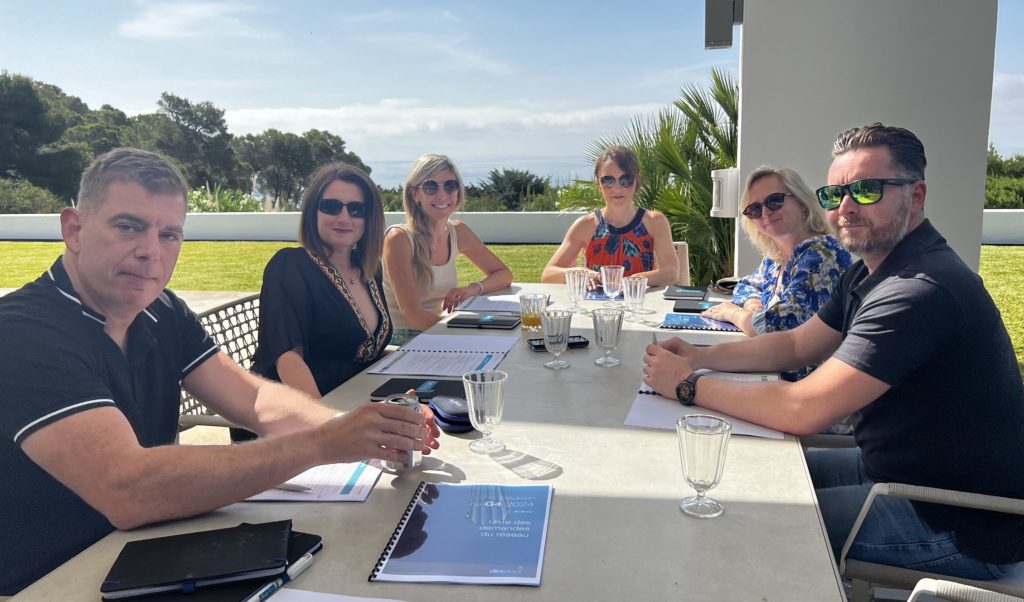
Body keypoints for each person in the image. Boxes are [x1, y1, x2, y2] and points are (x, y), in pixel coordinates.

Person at [0, 148, 440, 595]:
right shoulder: (22, 333)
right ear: (73, 229)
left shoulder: (161, 310)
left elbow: (253, 398)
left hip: (147, 556)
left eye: (169, 234)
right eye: (129, 226)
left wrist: (361, 431)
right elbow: (128, 489)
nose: (150, 252)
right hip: (49, 579)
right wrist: (323, 444)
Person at [643, 124, 1024, 579]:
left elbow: (803, 408)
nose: (845, 208)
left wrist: (687, 385)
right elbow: (793, 344)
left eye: (865, 190)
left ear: (915, 195)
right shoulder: (870, 272)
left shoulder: (920, 289)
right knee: (749, 479)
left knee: (739, 523)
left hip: (957, 520)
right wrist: (699, 356)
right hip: (889, 471)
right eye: (835, 194)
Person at [252, 163, 391, 399]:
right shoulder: (290, 266)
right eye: (331, 206)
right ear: (313, 211)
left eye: (357, 209)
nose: (344, 217)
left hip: (355, 399)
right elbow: (288, 360)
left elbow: (370, 351)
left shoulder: (367, 269)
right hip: (297, 411)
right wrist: (329, 425)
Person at [382, 154, 512, 344]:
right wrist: (465, 336)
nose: (442, 195)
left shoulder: (458, 231)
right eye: (430, 187)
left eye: (450, 186)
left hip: (440, 329)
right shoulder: (399, 239)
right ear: (415, 195)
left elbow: (504, 274)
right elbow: (412, 315)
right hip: (404, 340)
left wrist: (472, 289)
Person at [541, 145, 678, 287]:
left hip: (640, 305)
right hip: (594, 307)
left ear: (637, 180)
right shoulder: (586, 225)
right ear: (598, 183)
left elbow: (671, 272)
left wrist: (632, 282)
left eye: (626, 180)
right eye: (608, 180)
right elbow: (548, 275)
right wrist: (581, 273)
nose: (617, 188)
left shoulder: (654, 222)